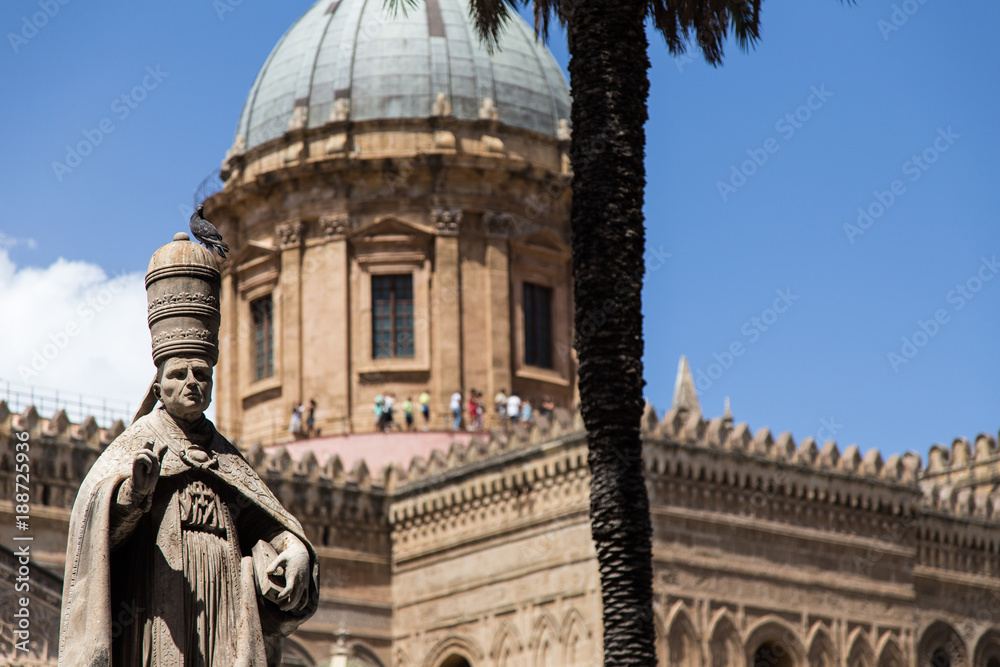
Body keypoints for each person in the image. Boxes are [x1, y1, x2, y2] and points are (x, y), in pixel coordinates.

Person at [60, 233, 318, 665]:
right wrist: (134, 495)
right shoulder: (138, 444)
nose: (192, 381)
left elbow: (266, 522)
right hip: (157, 601)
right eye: (179, 373)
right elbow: (99, 533)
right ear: (158, 385)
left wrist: (294, 547)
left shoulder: (227, 457)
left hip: (225, 604)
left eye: (201, 372)